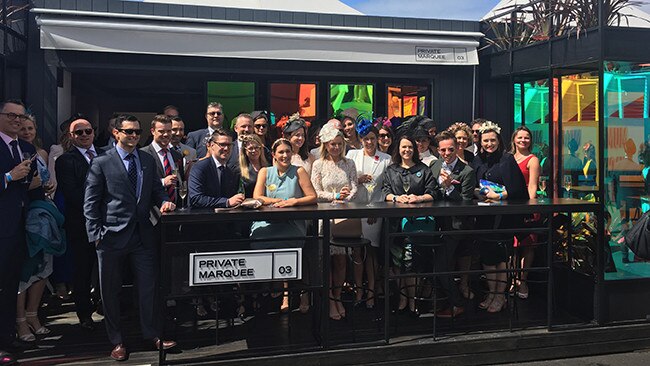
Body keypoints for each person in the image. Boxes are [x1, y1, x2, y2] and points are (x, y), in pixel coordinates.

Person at [84, 114, 176, 361]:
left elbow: (156, 190)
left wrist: (165, 201)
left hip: (142, 235)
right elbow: (91, 202)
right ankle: (117, 341)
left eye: (137, 131)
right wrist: (96, 236)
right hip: (110, 237)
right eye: (129, 132)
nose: (134, 135)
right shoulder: (101, 162)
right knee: (110, 292)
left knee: (148, 287)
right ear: (116, 133)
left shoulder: (146, 159)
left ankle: (152, 334)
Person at [251, 138, 317, 313]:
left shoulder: (299, 171)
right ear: (273, 155)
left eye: (288, 151)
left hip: (291, 223)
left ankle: (287, 293)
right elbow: (257, 196)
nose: (285, 155)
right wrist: (277, 201)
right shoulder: (265, 172)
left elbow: (312, 196)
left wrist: (293, 202)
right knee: (258, 240)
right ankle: (268, 288)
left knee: (287, 245)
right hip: (268, 223)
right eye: (281, 152)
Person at [471, 121, 527, 314]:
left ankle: (500, 295)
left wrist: (501, 195)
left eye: (492, 140)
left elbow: (519, 189)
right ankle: (492, 292)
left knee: (500, 257)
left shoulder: (507, 159)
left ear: (499, 140)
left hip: (503, 218)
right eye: (485, 141)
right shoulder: (479, 160)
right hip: (484, 215)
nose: (489, 144)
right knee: (486, 256)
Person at [0, 100, 40, 364]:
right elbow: (11, 179)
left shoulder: (25, 147)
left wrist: (35, 184)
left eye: (21, 116)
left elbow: (25, 185)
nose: (17, 120)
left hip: (18, 228)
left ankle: (6, 338)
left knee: (10, 285)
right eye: (11, 115)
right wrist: (7, 177)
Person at [55, 115, 103, 331]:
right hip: (81, 224)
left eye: (88, 131)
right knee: (83, 271)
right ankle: (84, 314)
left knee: (106, 270)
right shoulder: (65, 160)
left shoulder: (106, 155)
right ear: (71, 136)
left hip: (109, 224)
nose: (84, 135)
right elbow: (73, 194)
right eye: (79, 132)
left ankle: (104, 307)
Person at [382, 135, 437, 316]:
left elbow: (432, 193)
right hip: (395, 225)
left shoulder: (423, 169)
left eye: (410, 147)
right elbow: (386, 191)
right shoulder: (391, 170)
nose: (407, 150)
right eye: (403, 147)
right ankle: (402, 297)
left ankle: (413, 299)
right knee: (397, 262)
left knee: (413, 263)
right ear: (398, 149)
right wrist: (397, 198)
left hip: (417, 224)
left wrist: (418, 198)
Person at [310, 124, 358, 320]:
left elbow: (355, 186)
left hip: (344, 215)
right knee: (325, 262)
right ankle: (329, 300)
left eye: (339, 144)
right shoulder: (318, 164)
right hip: (324, 217)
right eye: (333, 144)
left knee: (340, 261)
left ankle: (338, 297)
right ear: (326, 145)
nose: (336, 147)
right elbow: (315, 191)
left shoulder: (349, 164)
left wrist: (346, 197)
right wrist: (335, 195)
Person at [430, 131, 476, 318]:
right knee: (434, 265)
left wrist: (449, 187)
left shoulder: (467, 172)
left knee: (441, 267)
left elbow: (465, 203)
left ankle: (457, 304)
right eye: (443, 150)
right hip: (435, 224)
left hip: (455, 226)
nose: (447, 153)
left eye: (450, 149)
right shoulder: (435, 165)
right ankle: (443, 301)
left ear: (457, 148)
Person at [346, 119, 391, 308]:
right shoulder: (352, 155)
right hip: (355, 208)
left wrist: (375, 209)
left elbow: (386, 186)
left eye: (373, 138)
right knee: (356, 251)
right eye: (366, 139)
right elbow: (345, 178)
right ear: (361, 139)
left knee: (371, 252)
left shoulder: (386, 158)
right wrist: (358, 178)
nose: (370, 142)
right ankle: (359, 291)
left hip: (375, 210)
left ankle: (372, 290)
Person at [510, 126, 541, 300]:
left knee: (527, 246)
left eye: (527, 137)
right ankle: (513, 279)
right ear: (514, 139)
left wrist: (529, 207)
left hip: (527, 207)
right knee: (512, 247)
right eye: (520, 137)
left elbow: (532, 186)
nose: (523, 140)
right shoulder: (508, 158)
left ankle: (523, 280)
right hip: (511, 208)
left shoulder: (532, 159)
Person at [188, 128, 245, 209]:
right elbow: (196, 198)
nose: (226, 149)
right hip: (202, 218)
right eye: (222, 144)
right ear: (212, 145)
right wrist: (226, 202)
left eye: (229, 145)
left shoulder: (230, 172)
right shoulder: (200, 167)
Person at [140, 115, 183, 204]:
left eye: (169, 131)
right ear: (152, 131)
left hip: (175, 211)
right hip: (152, 211)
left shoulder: (177, 155)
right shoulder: (143, 154)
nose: (166, 134)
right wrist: (162, 182)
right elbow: (140, 184)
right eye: (161, 131)